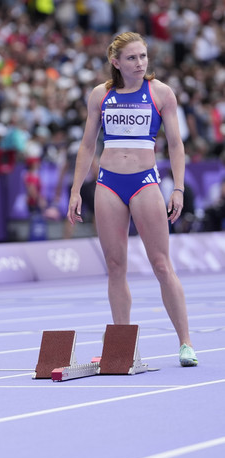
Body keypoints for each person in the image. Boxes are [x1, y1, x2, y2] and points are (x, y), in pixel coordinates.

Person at [67, 32, 197, 367]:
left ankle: (185, 342)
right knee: (114, 266)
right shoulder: (101, 95)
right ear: (116, 62)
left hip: (144, 183)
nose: (139, 63)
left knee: (161, 265)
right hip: (108, 183)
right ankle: (124, 348)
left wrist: (178, 187)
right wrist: (75, 190)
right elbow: (87, 145)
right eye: (132, 58)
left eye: (143, 57)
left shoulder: (161, 93)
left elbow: (176, 145)